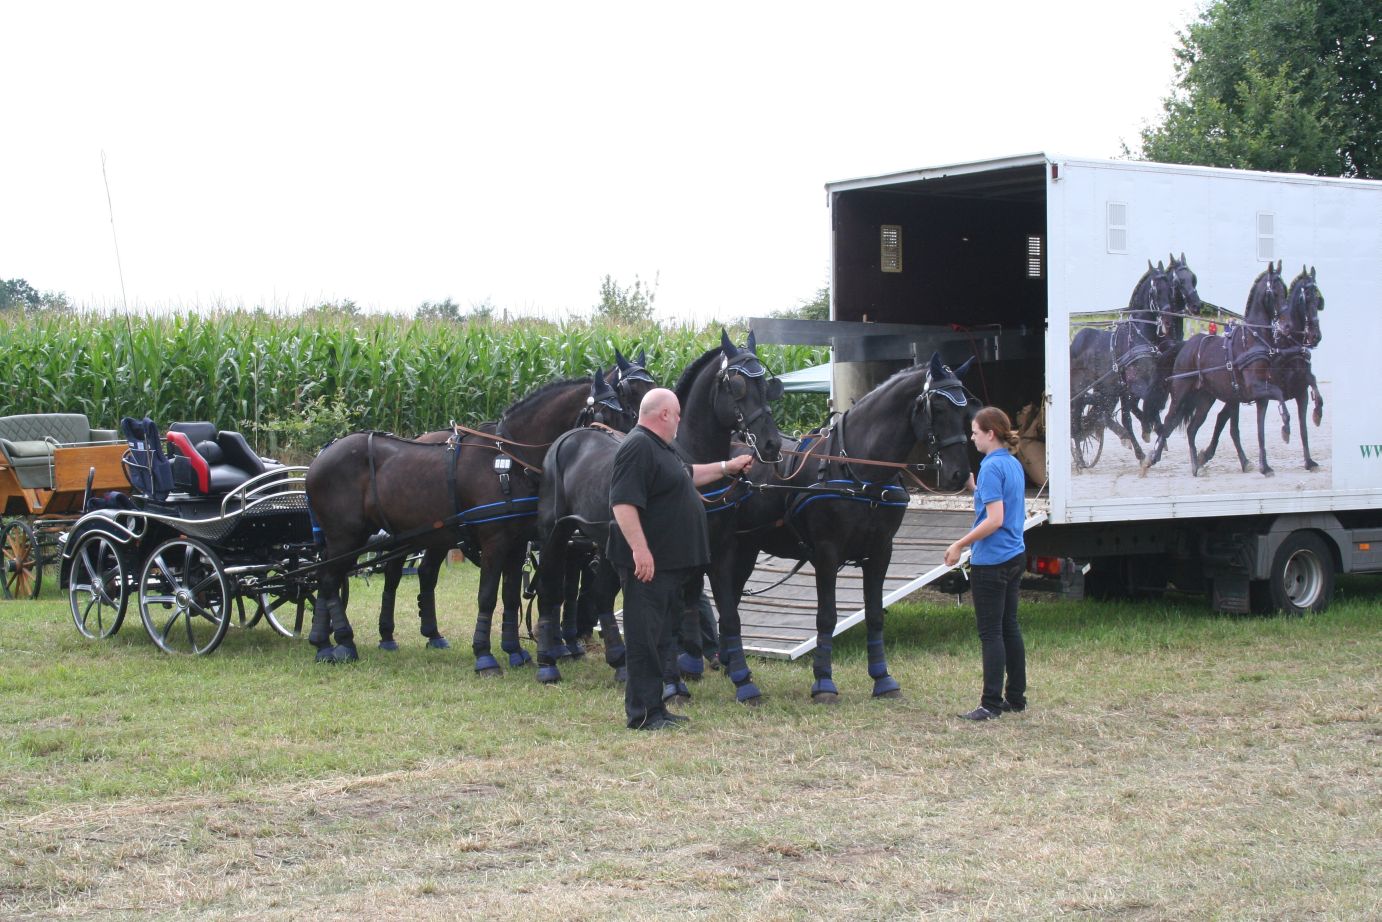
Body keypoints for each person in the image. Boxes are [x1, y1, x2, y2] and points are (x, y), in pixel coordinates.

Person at [609, 388, 753, 730]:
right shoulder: (637, 446)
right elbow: (623, 503)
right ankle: (642, 715)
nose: (679, 420)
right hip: (649, 564)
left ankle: (656, 708)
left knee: (662, 637)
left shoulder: (662, 449)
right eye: (676, 414)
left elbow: (688, 475)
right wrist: (640, 550)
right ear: (662, 415)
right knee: (644, 637)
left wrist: (727, 467)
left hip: (671, 564)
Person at [944, 406, 1027, 721]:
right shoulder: (1011, 463)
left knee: (991, 632)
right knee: (1009, 627)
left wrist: (959, 544)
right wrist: (973, 488)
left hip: (992, 561)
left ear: (990, 433)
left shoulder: (992, 467)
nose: (972, 437)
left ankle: (990, 704)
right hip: (1015, 555)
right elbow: (997, 503)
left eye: (976, 432)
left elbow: (995, 519)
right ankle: (1015, 698)